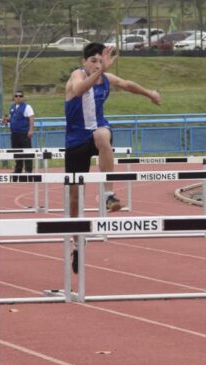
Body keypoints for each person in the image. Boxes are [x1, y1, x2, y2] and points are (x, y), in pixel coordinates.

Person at [65, 42, 161, 272]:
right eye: (93, 61)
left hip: (97, 132)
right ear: (84, 62)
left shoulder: (106, 78)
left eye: (101, 61)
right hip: (76, 140)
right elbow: (79, 90)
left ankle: (108, 194)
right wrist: (100, 70)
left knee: (102, 135)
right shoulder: (76, 76)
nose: (98, 65)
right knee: (75, 198)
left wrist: (150, 93)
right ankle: (77, 244)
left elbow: (127, 84)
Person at [1, 91, 35, 173]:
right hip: (14, 133)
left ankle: (28, 170)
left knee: (27, 152)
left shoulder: (27, 107)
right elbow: (11, 118)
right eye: (16, 96)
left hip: (24, 133)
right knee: (16, 152)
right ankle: (18, 169)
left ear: (23, 97)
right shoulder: (12, 107)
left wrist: (31, 130)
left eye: (20, 96)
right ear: (14, 97)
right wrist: (6, 120)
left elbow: (31, 118)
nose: (18, 97)